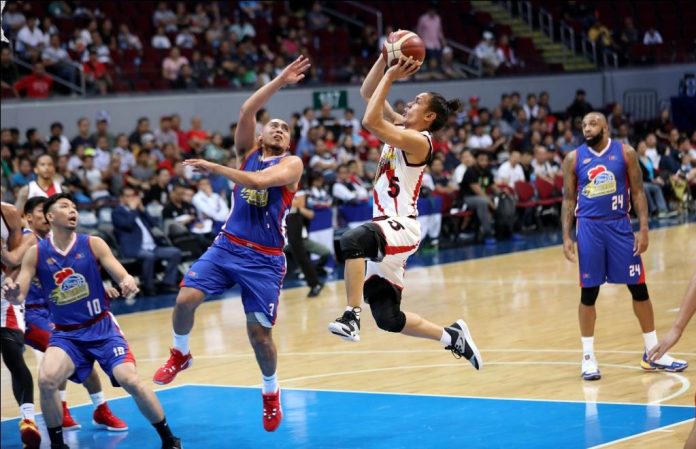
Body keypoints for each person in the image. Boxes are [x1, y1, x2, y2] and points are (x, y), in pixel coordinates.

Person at [151, 56, 310, 433]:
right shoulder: (248, 153)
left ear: (289, 141)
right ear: (258, 137)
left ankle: (271, 392)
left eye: (284, 129)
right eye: (272, 125)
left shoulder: (293, 165)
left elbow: (257, 183)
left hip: (265, 260)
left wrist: (216, 168)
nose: (278, 129)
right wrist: (281, 80)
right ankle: (180, 352)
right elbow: (247, 107)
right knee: (185, 299)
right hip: (227, 246)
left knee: (259, 335)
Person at [326, 53, 482, 371]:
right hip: (386, 228)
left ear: (429, 118)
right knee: (388, 318)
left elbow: (369, 121)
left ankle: (351, 316)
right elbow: (367, 94)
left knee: (352, 240)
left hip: (400, 225)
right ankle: (452, 337)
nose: (408, 104)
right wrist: (385, 60)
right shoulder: (401, 127)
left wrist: (391, 78)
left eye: (416, 101)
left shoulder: (419, 142)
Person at [2, 193, 183, 449]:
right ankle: (58, 445)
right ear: (50, 216)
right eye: (65, 206)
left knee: (130, 380)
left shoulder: (93, 243)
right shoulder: (35, 253)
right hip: (66, 334)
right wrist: (12, 293)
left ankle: (169, 440)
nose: (73, 210)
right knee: (47, 379)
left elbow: (120, 272)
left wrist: (127, 281)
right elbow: (19, 294)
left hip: (101, 328)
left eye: (75, 207)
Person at [560, 112, 688, 381]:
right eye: (583, 124)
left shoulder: (626, 153)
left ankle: (652, 352)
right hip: (589, 229)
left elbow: (639, 192)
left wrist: (643, 228)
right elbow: (569, 200)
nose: (586, 128)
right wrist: (566, 236)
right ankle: (587, 356)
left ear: (605, 127)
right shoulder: (573, 158)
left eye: (592, 123)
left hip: (620, 227)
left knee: (639, 288)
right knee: (589, 293)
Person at [21, 197, 128, 432]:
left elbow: (77, 280)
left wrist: (100, 289)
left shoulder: (69, 240)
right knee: (68, 354)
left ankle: (98, 408)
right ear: (29, 217)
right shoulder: (27, 244)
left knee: (76, 354)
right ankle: (69, 409)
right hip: (32, 311)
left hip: (58, 310)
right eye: (39, 211)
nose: (71, 212)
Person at [1, 202, 41, 449]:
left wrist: (10, 284)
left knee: (13, 355)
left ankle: (28, 420)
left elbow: (16, 262)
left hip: (3, 292)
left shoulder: (8, 214)